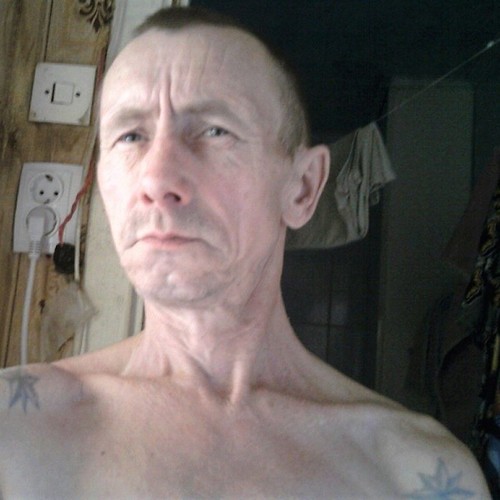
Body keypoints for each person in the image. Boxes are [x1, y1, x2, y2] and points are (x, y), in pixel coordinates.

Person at [0, 7, 490, 498]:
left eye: (215, 130)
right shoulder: (14, 430)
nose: (156, 179)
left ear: (303, 187)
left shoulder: (411, 472)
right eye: (130, 136)